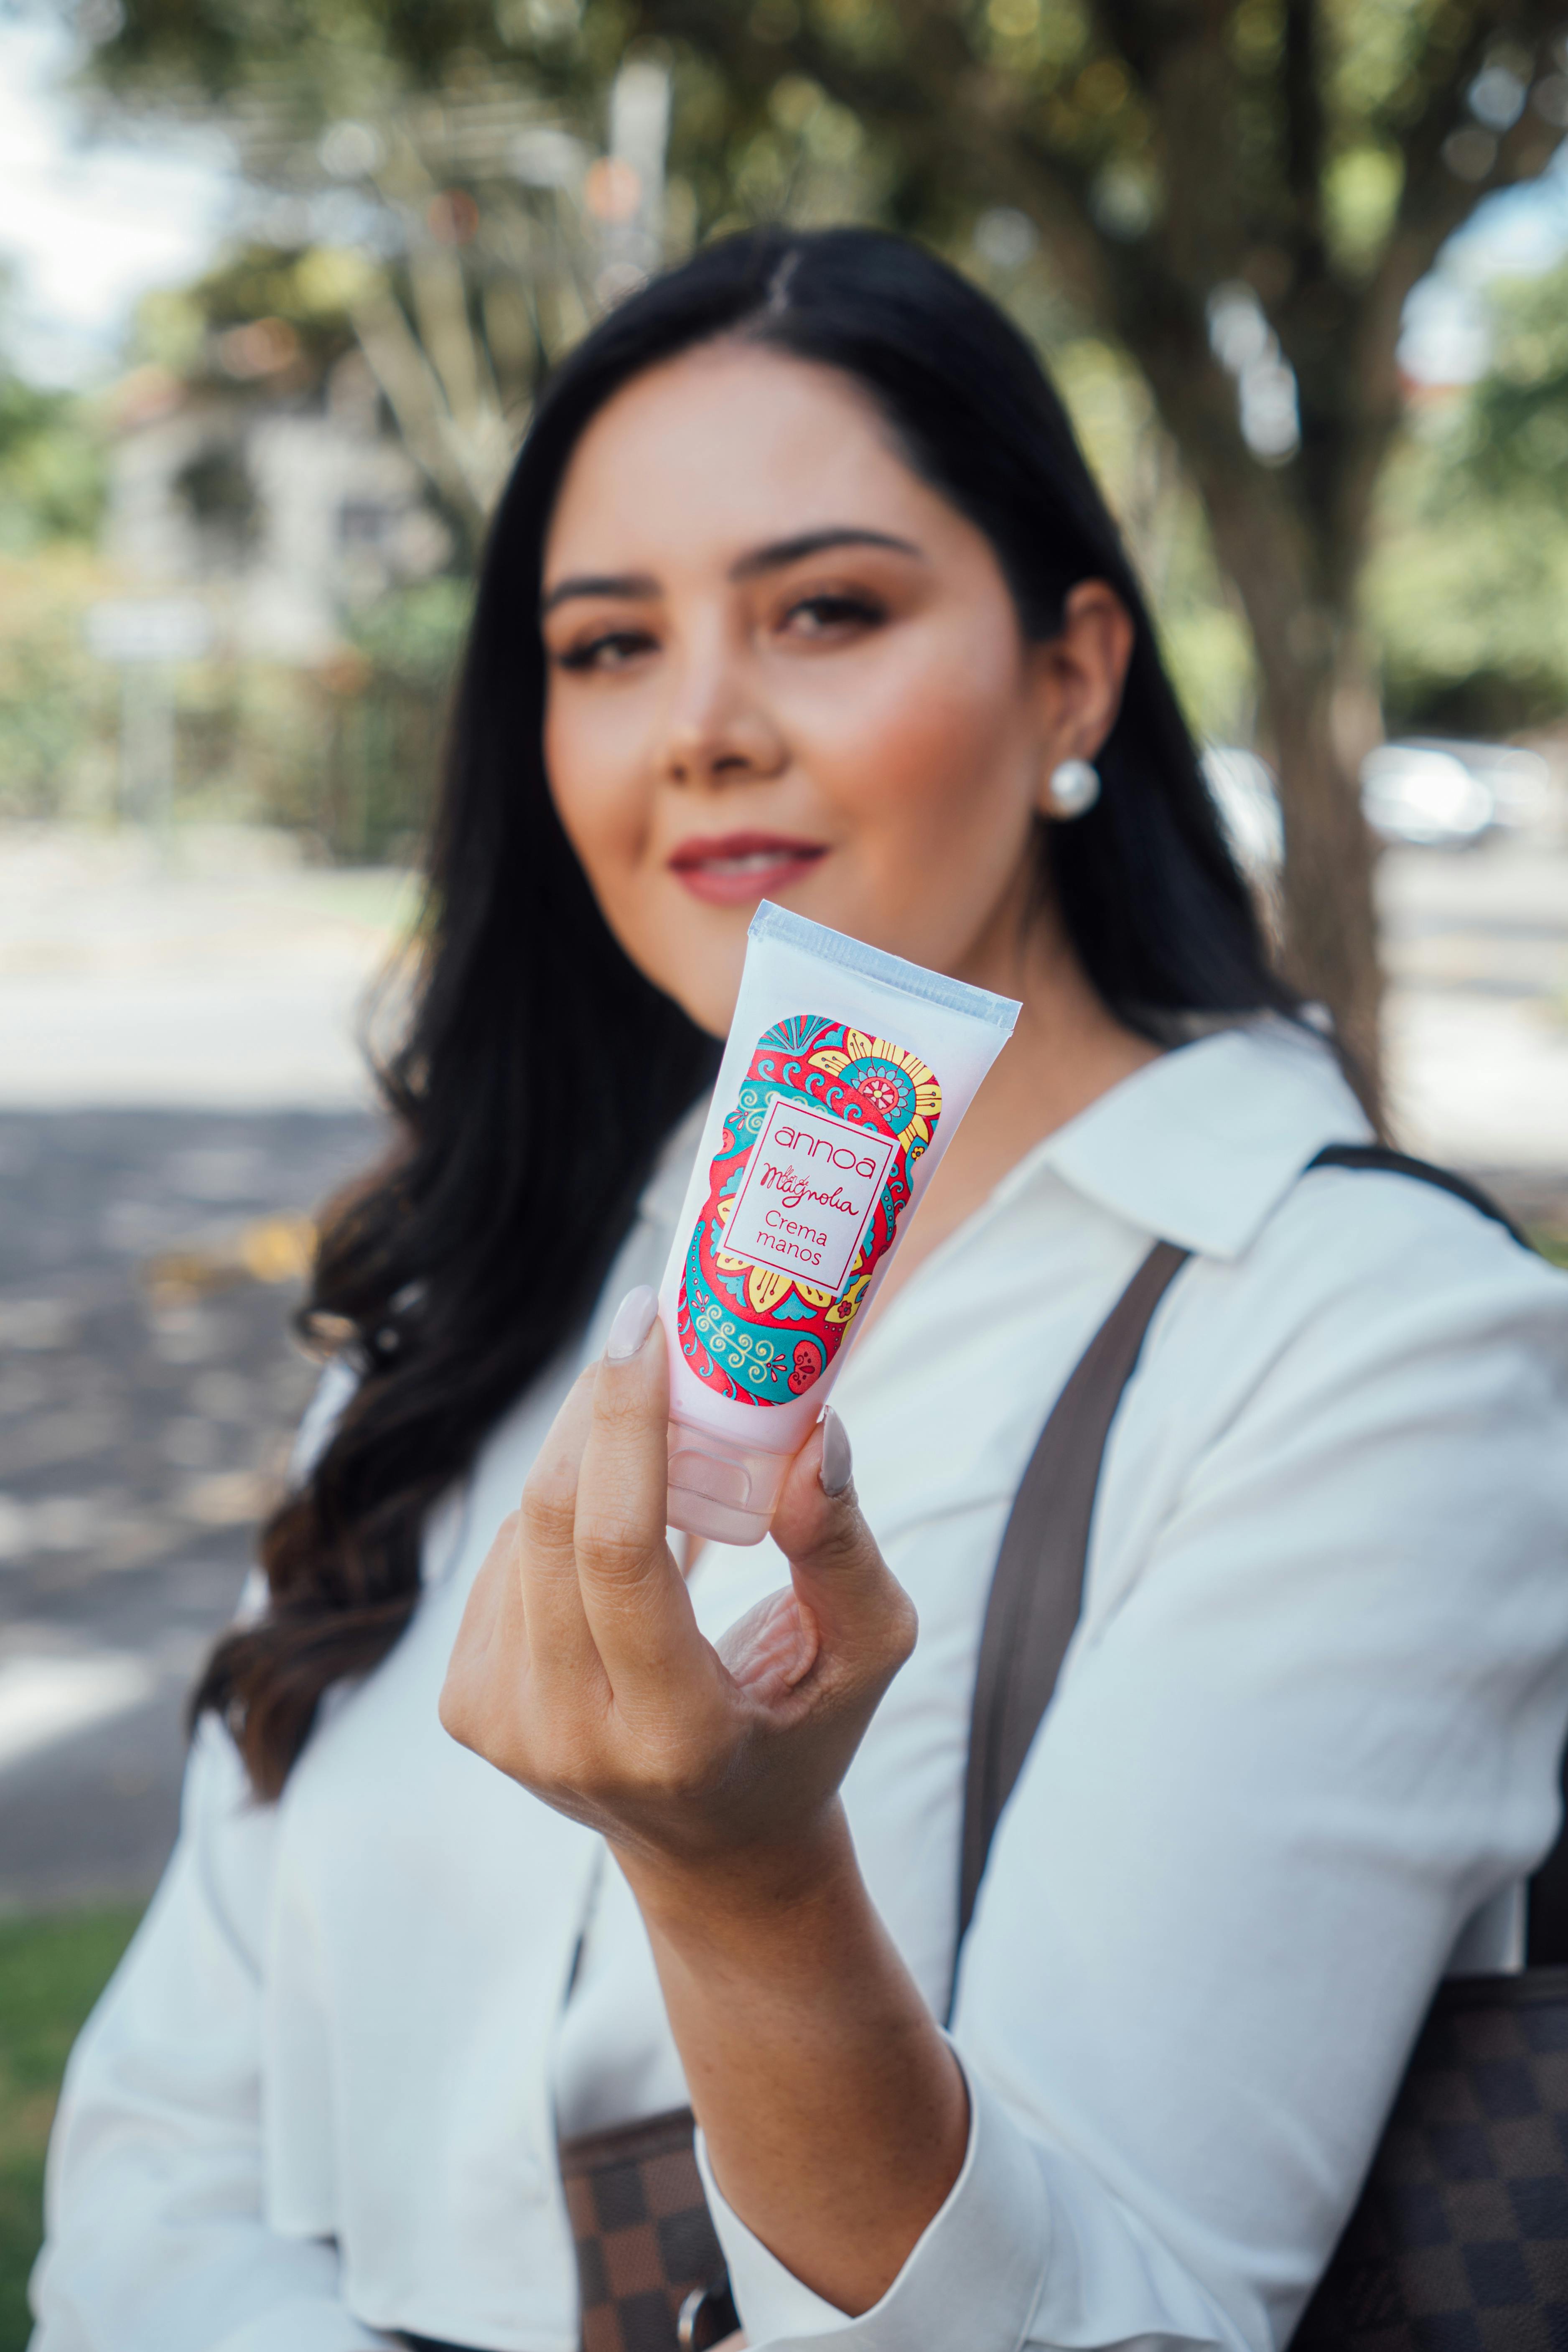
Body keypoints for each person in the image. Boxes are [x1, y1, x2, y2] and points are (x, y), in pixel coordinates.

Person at [31, 228, 1568, 2352]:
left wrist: (747, 1899)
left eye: (824, 610)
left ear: (1072, 674)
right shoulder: (485, 1302)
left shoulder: (1368, 1345)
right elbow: (154, 2159)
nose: (703, 727)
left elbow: (1121, 2317)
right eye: (604, 645)